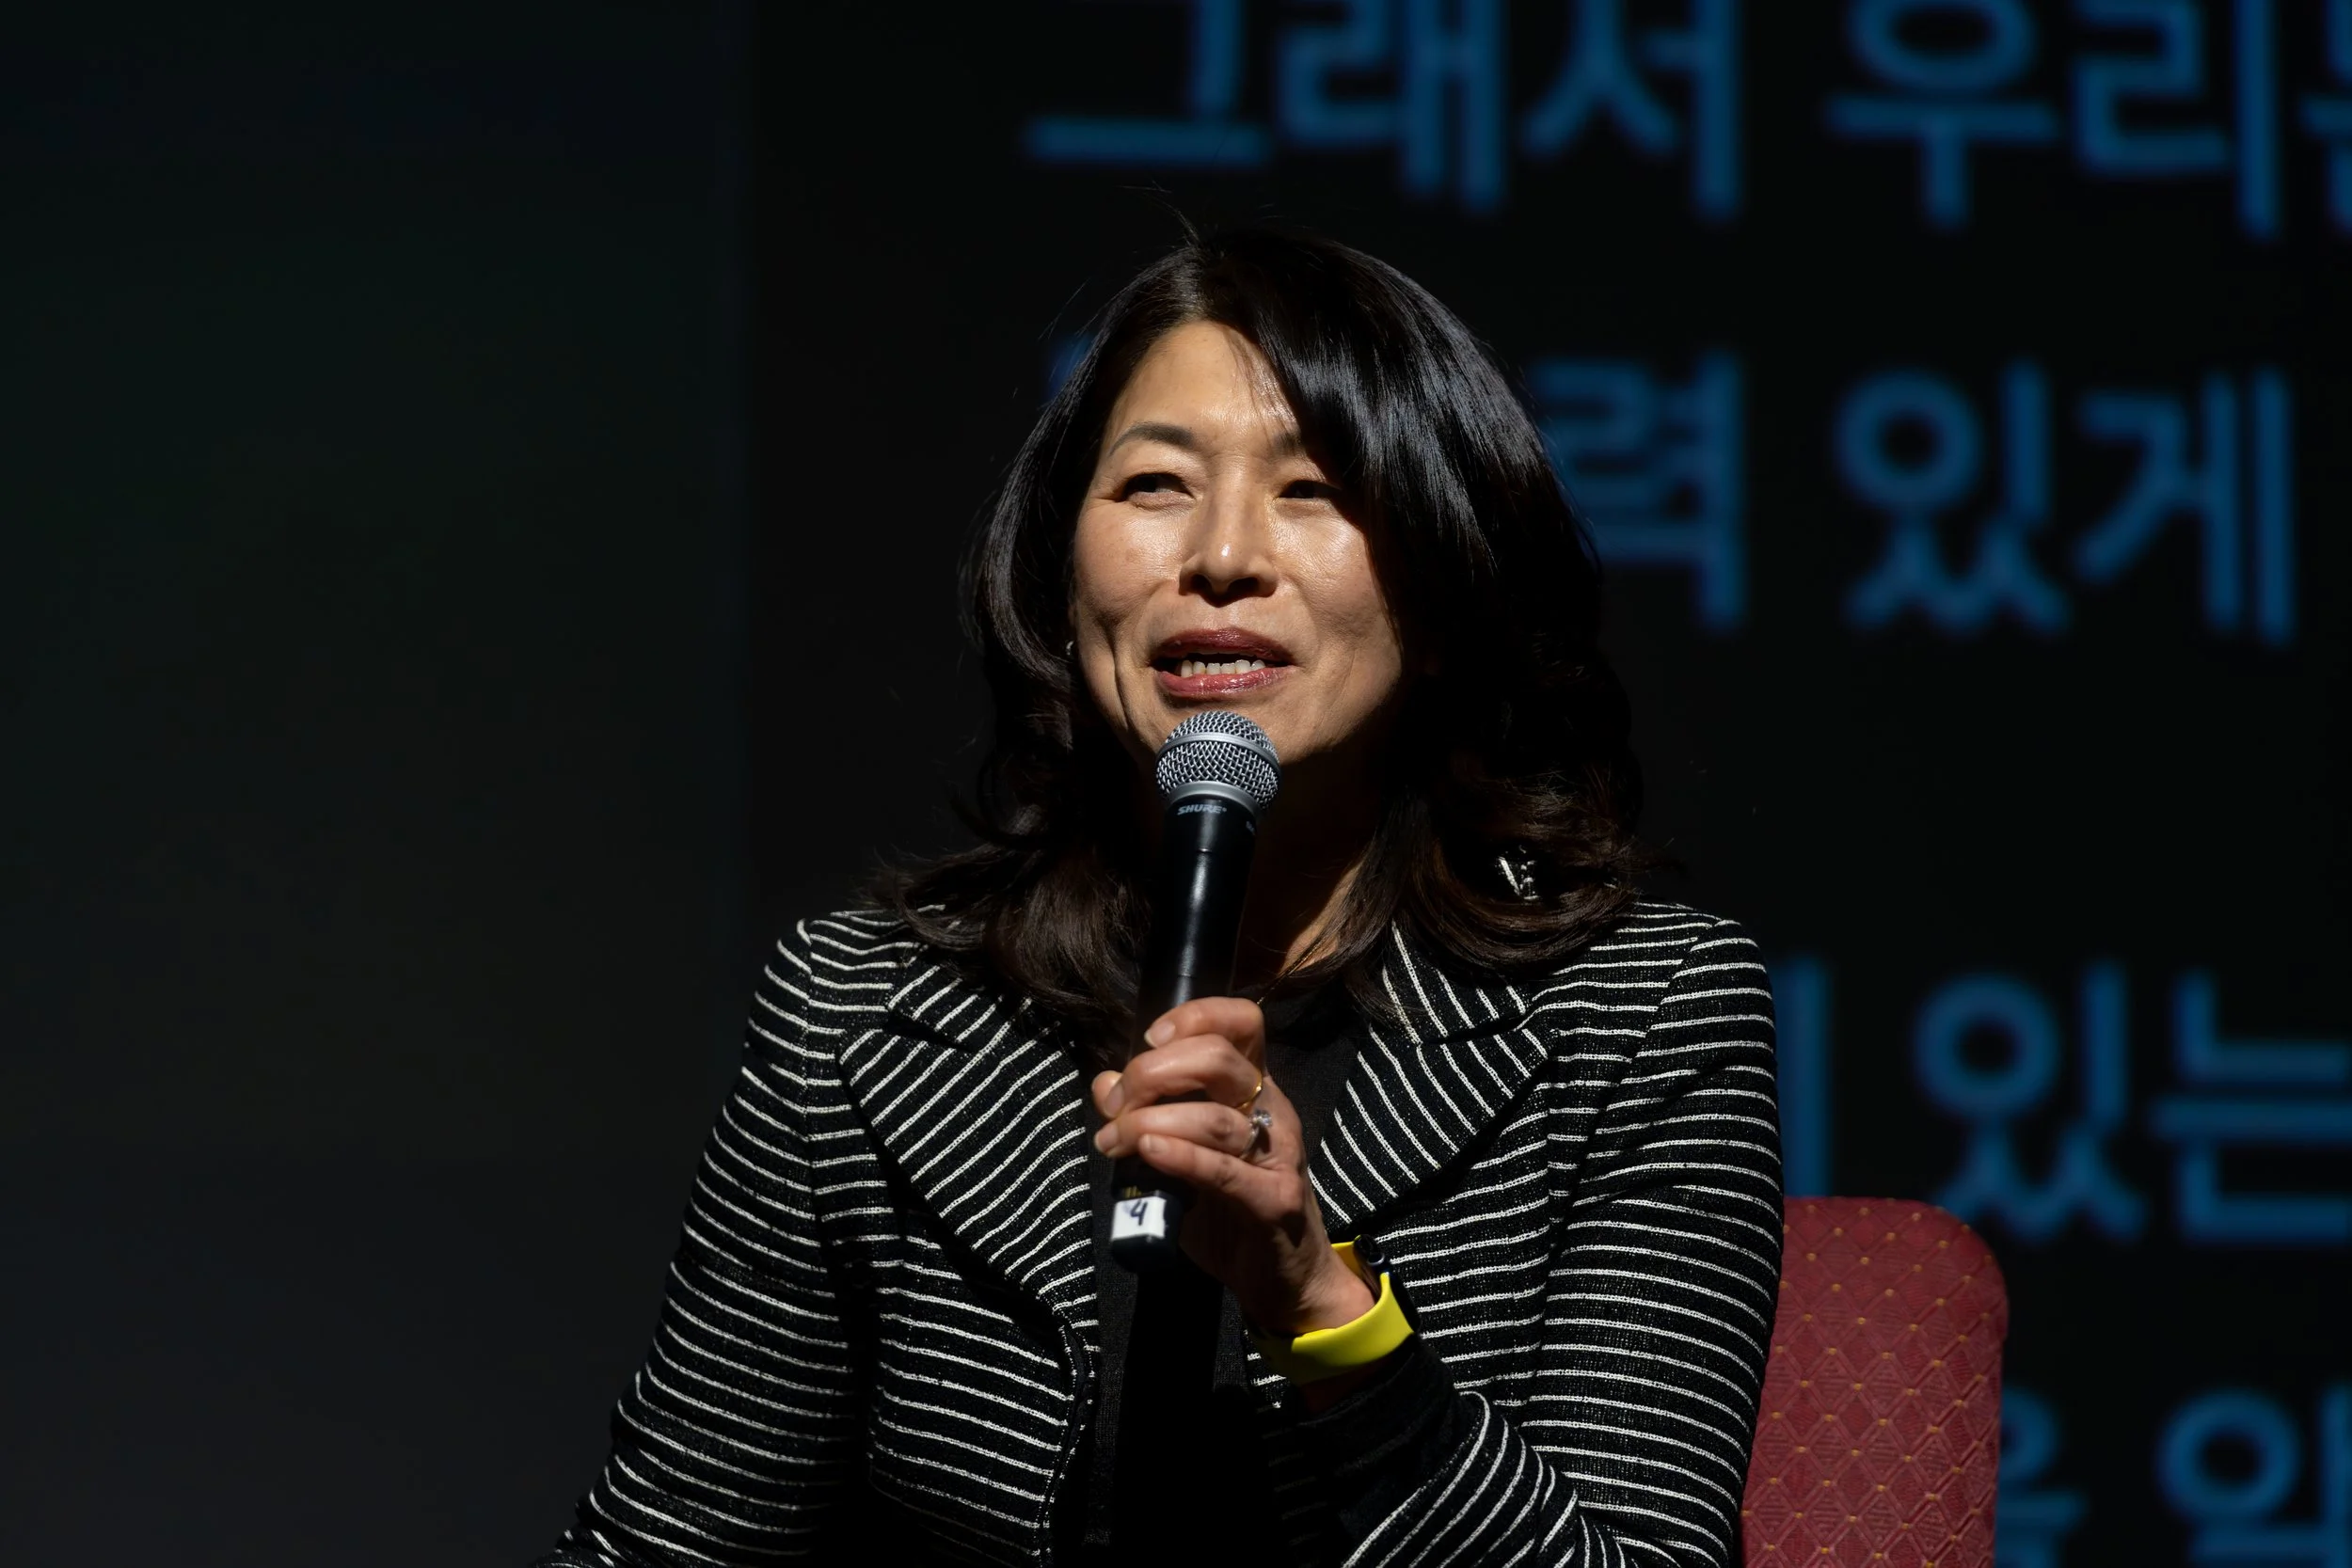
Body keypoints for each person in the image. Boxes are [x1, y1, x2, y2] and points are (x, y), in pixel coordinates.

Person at [536, 226, 1782, 1568]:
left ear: (1442, 577)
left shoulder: (1641, 1013)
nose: (1224, 554)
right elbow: (661, 1542)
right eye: (1154, 485)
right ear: (1063, 575)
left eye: (1313, 489)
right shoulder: (859, 1013)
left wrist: (1320, 1300)